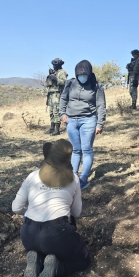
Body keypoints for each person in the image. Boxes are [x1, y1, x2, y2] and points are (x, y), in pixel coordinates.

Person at [12, 139, 91, 277]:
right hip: (57, 234)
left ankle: (38, 259)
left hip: (28, 234)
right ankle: (56, 268)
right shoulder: (73, 179)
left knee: (45, 246)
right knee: (83, 260)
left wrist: (28, 214)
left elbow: (16, 207)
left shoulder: (32, 176)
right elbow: (76, 212)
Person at [59, 60, 106, 191]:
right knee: (75, 150)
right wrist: (62, 114)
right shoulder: (70, 83)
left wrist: (100, 123)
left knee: (86, 150)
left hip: (88, 120)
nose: (82, 77)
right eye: (80, 75)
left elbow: (101, 105)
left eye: (84, 75)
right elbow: (63, 99)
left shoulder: (97, 86)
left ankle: (84, 179)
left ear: (89, 74)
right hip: (71, 121)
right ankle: (73, 178)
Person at [45, 58, 68, 135]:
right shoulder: (54, 72)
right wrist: (50, 75)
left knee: (56, 112)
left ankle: (57, 130)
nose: (54, 66)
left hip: (57, 94)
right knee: (51, 112)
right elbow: (48, 84)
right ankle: (52, 128)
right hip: (51, 94)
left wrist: (55, 79)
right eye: (53, 64)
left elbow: (64, 82)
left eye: (55, 64)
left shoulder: (62, 72)